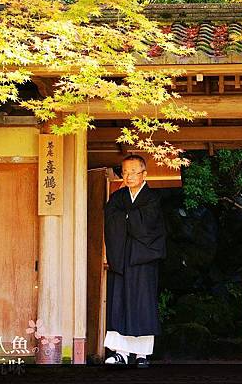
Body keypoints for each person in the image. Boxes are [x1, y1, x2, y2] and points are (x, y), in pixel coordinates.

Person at [103, 155, 166, 367]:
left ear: (144, 174)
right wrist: (128, 218)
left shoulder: (152, 198)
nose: (128, 176)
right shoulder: (118, 197)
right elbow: (111, 219)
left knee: (142, 304)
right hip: (121, 258)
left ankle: (141, 354)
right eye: (125, 172)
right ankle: (120, 352)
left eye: (133, 172)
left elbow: (148, 224)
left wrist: (126, 219)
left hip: (143, 260)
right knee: (118, 302)